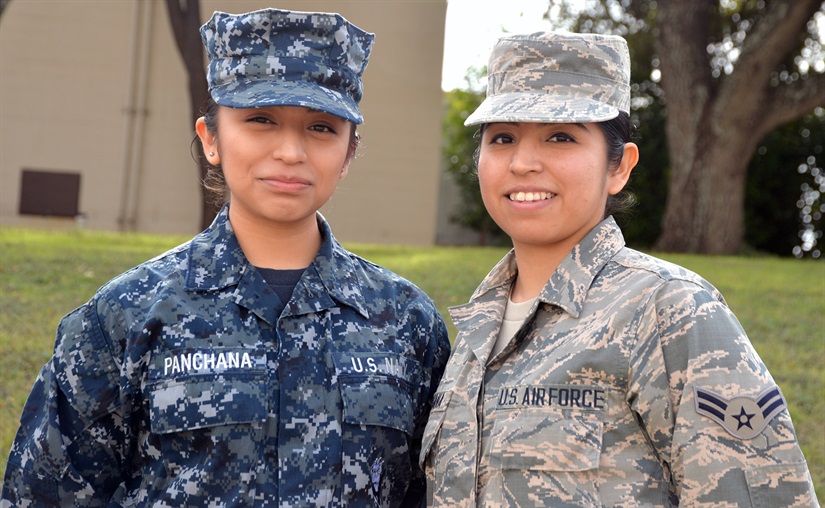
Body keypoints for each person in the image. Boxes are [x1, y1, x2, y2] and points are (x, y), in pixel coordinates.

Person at [2, 8, 450, 507]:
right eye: (261, 120)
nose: (290, 151)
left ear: (347, 154)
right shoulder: (127, 316)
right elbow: (42, 495)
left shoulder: (407, 324)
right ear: (210, 139)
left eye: (321, 128)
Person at [419, 32, 818, 507]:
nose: (523, 162)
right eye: (502, 138)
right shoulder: (477, 329)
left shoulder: (670, 311)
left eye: (560, 137)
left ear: (619, 167)